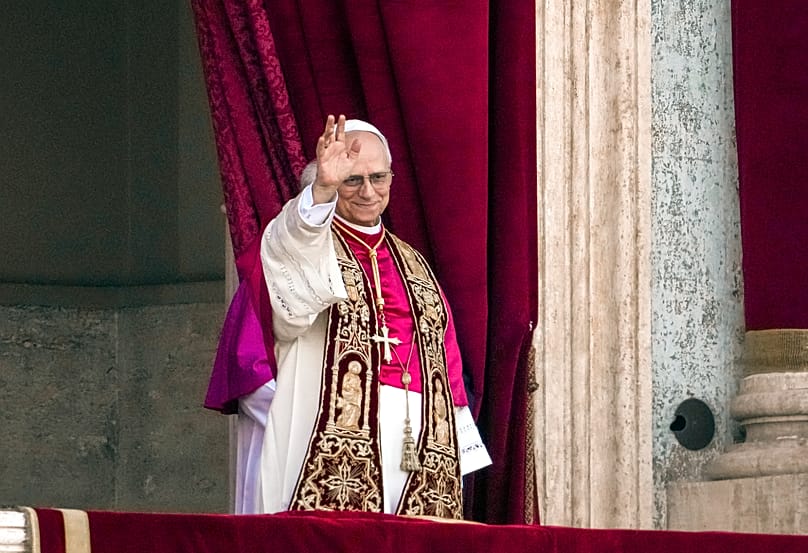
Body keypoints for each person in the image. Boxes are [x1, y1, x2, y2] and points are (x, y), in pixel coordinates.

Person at [211, 115, 490, 518]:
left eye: (378, 178)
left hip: (418, 440)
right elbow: (291, 247)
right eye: (351, 180)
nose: (368, 192)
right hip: (325, 430)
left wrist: (457, 439)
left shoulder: (414, 263)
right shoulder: (309, 243)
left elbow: (444, 358)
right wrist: (322, 189)